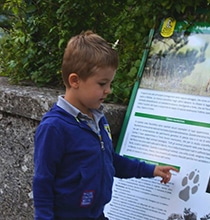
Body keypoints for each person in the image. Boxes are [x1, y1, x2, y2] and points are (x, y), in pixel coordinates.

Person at [33, 30, 179, 220]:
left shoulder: (98, 119)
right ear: (75, 81)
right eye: (102, 84)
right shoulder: (54, 127)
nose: (108, 90)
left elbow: (109, 160)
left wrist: (150, 170)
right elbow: (43, 181)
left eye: (110, 83)